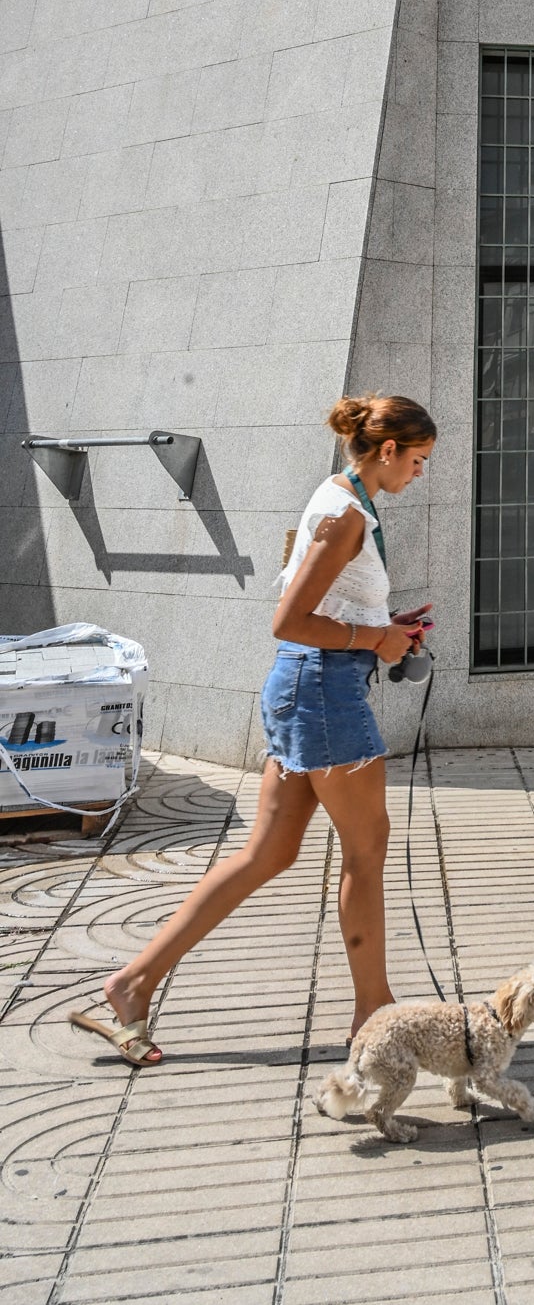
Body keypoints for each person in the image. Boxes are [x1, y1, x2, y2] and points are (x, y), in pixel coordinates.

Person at [69, 394, 436, 1067]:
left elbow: (320, 607)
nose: (419, 472)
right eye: (418, 459)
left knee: (268, 852)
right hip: (323, 691)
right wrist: (376, 638)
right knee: (367, 849)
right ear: (388, 450)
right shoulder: (347, 515)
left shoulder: (338, 497)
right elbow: (288, 619)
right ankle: (373, 1014)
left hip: (308, 686)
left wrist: (384, 625)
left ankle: (131, 983)